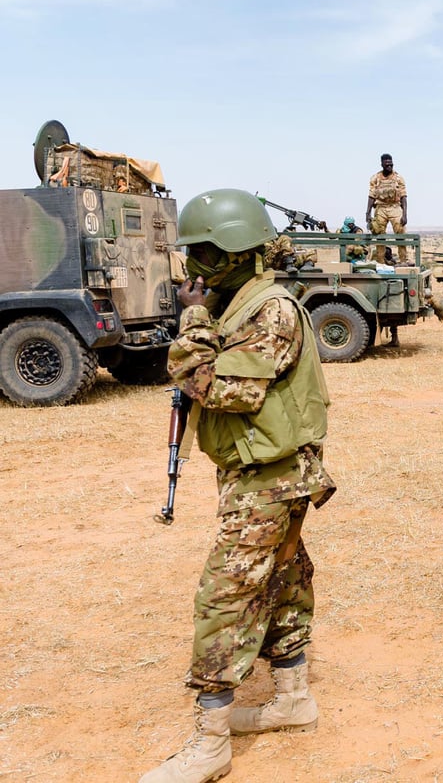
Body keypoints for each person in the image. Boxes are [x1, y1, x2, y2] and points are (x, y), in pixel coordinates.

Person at [142, 189, 335, 783]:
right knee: (280, 579)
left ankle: (210, 744)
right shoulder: (243, 303)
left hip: (271, 481)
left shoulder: (269, 310)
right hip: (262, 473)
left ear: (235, 253)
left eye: (202, 254)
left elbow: (230, 391)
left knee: (225, 597)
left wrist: (192, 323)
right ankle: (293, 697)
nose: (193, 269)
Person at [365, 153, 408, 263]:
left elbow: (403, 196)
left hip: (395, 207)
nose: (389, 166)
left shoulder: (398, 178)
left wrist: (404, 214)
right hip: (380, 208)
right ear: (382, 164)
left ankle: (403, 260)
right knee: (379, 235)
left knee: (400, 234)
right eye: (387, 164)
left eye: (391, 164)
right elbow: (371, 196)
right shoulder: (375, 178)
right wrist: (368, 213)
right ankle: (381, 262)